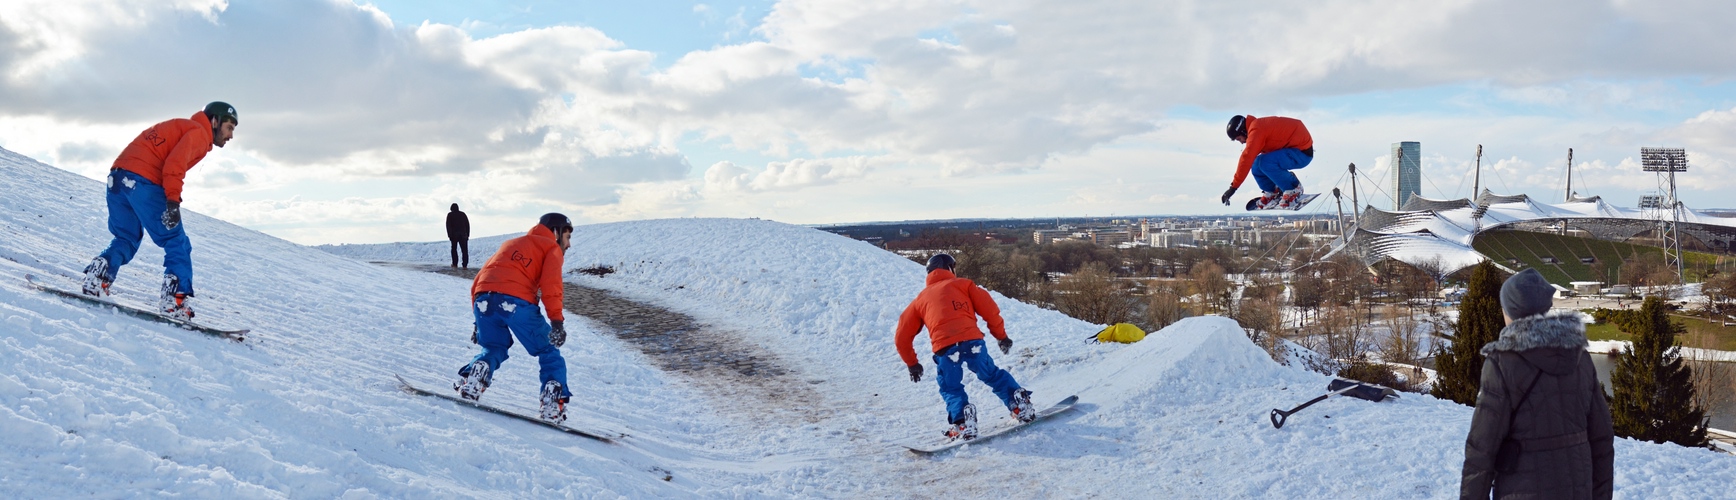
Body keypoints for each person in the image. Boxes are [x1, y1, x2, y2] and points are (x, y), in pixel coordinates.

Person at [1461, 268, 1614, 499]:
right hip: (1578, 490)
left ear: (1511, 311)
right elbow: (1601, 439)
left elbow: (1481, 450)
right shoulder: (1579, 357)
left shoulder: (1502, 363)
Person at [81, 102, 239, 320]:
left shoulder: (183, 126)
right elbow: (174, 164)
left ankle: (98, 276)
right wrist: (173, 202)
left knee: (126, 236)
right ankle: (174, 300)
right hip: (142, 183)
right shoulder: (199, 133)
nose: (231, 135)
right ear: (215, 121)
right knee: (177, 241)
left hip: (117, 179)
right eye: (229, 127)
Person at [894, 253, 1035, 441]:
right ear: (950, 268)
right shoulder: (964, 285)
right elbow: (990, 311)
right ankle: (1019, 404)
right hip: (973, 342)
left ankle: (963, 423)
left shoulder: (920, 300)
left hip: (945, 349)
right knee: (991, 374)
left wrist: (912, 363)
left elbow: (902, 335)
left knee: (951, 387)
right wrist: (1001, 336)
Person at [454, 213, 576, 422]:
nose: (569, 244)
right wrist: (556, 322)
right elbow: (551, 286)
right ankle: (552, 402)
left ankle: (476, 375)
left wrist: (478, 320)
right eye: (567, 236)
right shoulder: (550, 248)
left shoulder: (511, 243)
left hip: (484, 300)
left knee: (494, 346)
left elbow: (480, 279)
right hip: (516, 303)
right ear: (556, 232)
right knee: (548, 350)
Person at [1218, 114, 1313, 210]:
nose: (1242, 142)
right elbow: (1249, 160)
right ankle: (1272, 191)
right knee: (1256, 164)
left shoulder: (1256, 130)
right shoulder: (1256, 128)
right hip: (1291, 149)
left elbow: (1246, 158)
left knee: (1265, 162)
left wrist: (1233, 188)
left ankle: (1293, 188)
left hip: (1302, 152)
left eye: (1239, 139)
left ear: (1243, 131)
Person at [446, 203, 470, 268]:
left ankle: (455, 264)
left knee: (454, 250)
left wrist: (449, 235)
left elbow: (448, 226)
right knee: (464, 250)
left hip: (454, 236)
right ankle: (465, 265)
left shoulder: (450, 215)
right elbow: (467, 225)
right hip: (463, 235)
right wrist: (467, 234)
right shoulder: (463, 214)